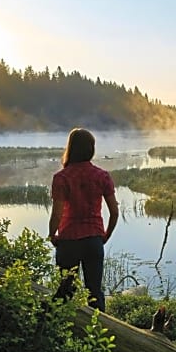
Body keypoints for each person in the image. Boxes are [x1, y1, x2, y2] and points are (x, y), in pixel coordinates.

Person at [48, 128, 118, 311]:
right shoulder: (102, 176)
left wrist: (51, 235)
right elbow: (115, 212)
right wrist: (105, 235)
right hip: (94, 240)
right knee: (94, 292)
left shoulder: (61, 178)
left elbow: (57, 214)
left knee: (64, 290)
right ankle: (99, 334)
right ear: (91, 149)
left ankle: (56, 331)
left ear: (70, 148)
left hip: (68, 240)